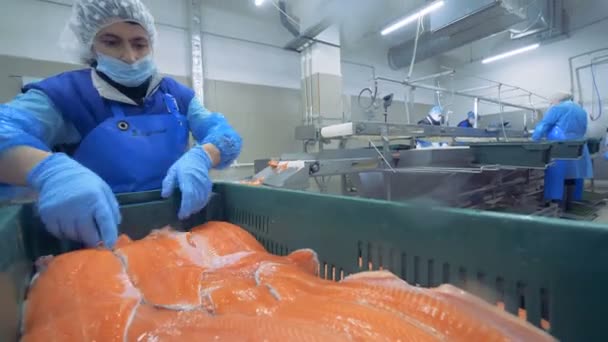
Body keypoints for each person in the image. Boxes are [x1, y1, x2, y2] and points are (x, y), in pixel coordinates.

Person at [0, 0, 242, 248]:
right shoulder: (64, 94)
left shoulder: (176, 96)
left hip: (177, 231)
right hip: (93, 240)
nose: (129, 56)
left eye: (139, 44)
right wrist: (49, 173)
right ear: (91, 46)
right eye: (111, 42)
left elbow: (224, 135)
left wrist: (203, 156)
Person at [532, 92, 592, 208]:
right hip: (577, 147)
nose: (550, 104)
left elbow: (544, 125)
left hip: (560, 146)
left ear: (556, 100)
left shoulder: (558, 108)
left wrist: (534, 139)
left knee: (557, 175)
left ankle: (557, 204)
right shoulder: (581, 110)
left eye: (551, 102)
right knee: (572, 175)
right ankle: (569, 203)